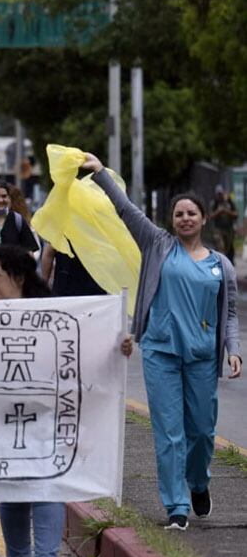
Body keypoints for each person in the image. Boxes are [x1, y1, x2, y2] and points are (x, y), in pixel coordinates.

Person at [84, 152, 242, 530]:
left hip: (202, 356)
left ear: (204, 218)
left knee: (202, 432)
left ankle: (199, 483)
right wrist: (100, 172)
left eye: (192, 213)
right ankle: (176, 506)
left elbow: (230, 313)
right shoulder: (157, 244)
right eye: (179, 214)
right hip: (160, 352)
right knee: (169, 433)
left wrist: (232, 351)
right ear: (171, 221)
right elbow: (125, 209)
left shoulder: (221, 264)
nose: (185, 218)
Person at [0, 245, 66, 557]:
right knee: (12, 486)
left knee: (46, 482)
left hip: (44, 414)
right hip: (1, 417)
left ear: (17, 276)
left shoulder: (51, 312)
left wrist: (118, 345)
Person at [211, 186, 238, 258]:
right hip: (218, 229)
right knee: (220, 247)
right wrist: (218, 212)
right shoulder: (214, 203)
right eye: (218, 194)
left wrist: (227, 212)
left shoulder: (229, 202)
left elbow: (236, 214)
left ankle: (228, 260)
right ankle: (222, 261)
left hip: (229, 229)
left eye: (221, 194)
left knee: (228, 247)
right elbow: (210, 216)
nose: (220, 196)